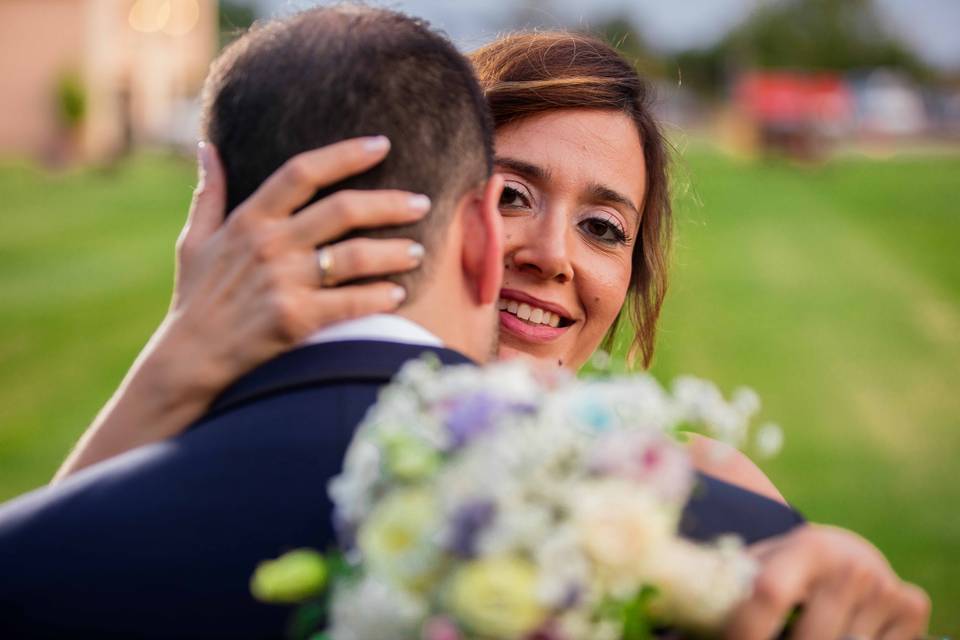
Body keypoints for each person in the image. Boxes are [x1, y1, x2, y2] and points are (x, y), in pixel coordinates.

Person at [0, 10, 929, 640]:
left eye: (605, 228)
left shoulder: (712, 498)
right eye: (515, 194)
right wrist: (172, 365)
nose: (553, 254)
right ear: (451, 211)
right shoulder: (234, 456)